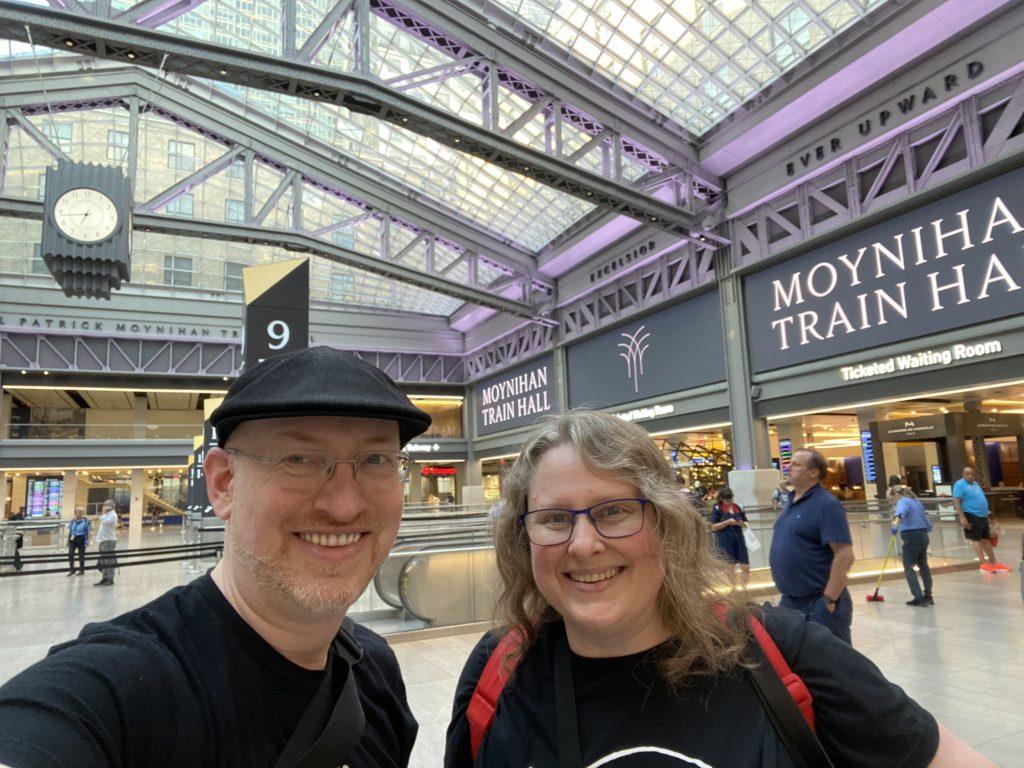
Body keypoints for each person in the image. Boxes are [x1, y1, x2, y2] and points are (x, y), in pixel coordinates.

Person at [444, 410, 989, 767]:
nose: (583, 544)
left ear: (667, 523)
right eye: (554, 519)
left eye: (615, 512)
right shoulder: (498, 671)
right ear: (523, 536)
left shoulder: (782, 653)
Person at [0, 346, 432, 768]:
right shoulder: (119, 690)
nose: (344, 506)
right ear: (224, 483)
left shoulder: (374, 671)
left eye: (376, 459)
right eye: (299, 459)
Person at [769, 449, 855, 644]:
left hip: (818, 602)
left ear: (813, 472)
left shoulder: (826, 505)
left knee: (831, 664)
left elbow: (845, 555)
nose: (788, 467)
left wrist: (829, 600)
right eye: (789, 463)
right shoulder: (791, 502)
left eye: (796, 464)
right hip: (790, 601)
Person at [952, 466, 1011, 573]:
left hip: (982, 516)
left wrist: (986, 515)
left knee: (986, 539)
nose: (970, 476)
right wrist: (962, 517)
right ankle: (983, 564)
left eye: (972, 474)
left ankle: (993, 562)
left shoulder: (975, 484)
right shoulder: (959, 484)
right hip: (971, 515)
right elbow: (956, 501)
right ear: (963, 474)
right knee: (976, 539)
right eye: (967, 474)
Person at [892, 486, 933, 607]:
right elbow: (927, 521)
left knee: (908, 566)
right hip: (923, 535)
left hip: (911, 535)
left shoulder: (902, 501)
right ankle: (928, 595)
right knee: (923, 565)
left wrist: (894, 527)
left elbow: (899, 514)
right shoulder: (917, 502)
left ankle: (918, 597)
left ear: (897, 495)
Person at [709, 486, 750, 588]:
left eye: (731, 498)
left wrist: (741, 523)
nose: (730, 501)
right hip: (725, 540)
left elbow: (746, 523)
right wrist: (727, 522)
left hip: (739, 539)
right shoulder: (717, 508)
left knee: (745, 566)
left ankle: (744, 589)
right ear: (722, 499)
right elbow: (713, 527)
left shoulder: (738, 506)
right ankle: (734, 589)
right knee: (731, 567)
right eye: (727, 500)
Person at [94, 500, 119, 587]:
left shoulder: (113, 515)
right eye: (104, 505)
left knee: (109, 561)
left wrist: (103, 514)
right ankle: (104, 578)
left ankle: (110, 579)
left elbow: (105, 521)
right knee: (103, 561)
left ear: (111, 506)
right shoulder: (106, 515)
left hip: (108, 541)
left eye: (106, 505)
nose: (104, 507)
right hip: (103, 540)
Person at [66, 506, 90, 576]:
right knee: (70, 553)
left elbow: (89, 532)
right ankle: (72, 570)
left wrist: (88, 540)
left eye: (79, 512)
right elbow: (70, 530)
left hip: (81, 538)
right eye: (76, 511)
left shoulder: (86, 521)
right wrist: (68, 540)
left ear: (82, 513)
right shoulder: (73, 520)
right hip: (73, 539)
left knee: (81, 555)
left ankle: (81, 570)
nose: (77, 513)